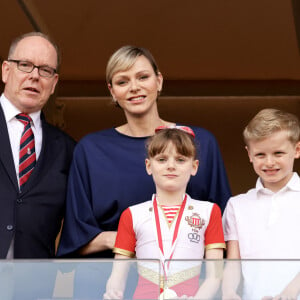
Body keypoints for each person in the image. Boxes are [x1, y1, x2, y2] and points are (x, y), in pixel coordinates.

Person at [57, 45, 230, 298]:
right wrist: (128, 239)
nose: (134, 87)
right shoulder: (91, 150)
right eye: (122, 81)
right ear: (112, 91)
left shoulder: (198, 143)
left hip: (191, 288)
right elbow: (75, 239)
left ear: (158, 81)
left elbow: (224, 229)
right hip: (107, 286)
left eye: (143, 77)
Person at [103, 126, 225, 299]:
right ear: (148, 165)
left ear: (194, 166)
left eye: (180, 160)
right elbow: (117, 275)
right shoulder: (131, 214)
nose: (171, 166)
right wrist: (113, 293)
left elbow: (215, 275)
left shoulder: (209, 211)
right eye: (161, 159)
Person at [0, 32, 75, 298]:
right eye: (25, 65)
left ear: (53, 83)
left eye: (45, 70)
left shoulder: (67, 149)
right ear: (6, 70)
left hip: (34, 286)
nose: (34, 76)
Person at [222, 108, 300, 299]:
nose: (269, 162)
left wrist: (290, 292)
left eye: (278, 153)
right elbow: (233, 263)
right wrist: (228, 291)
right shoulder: (237, 205)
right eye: (260, 155)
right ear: (249, 154)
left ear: (297, 150)